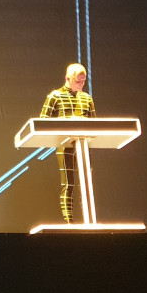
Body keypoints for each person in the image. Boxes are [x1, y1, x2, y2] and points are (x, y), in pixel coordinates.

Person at [40, 63, 96, 223]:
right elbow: (42, 122)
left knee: (86, 184)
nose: (81, 84)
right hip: (65, 146)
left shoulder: (87, 98)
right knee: (69, 184)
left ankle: (88, 221)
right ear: (68, 78)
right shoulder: (55, 96)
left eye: (84, 81)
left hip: (84, 146)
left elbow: (95, 124)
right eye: (78, 81)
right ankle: (69, 222)